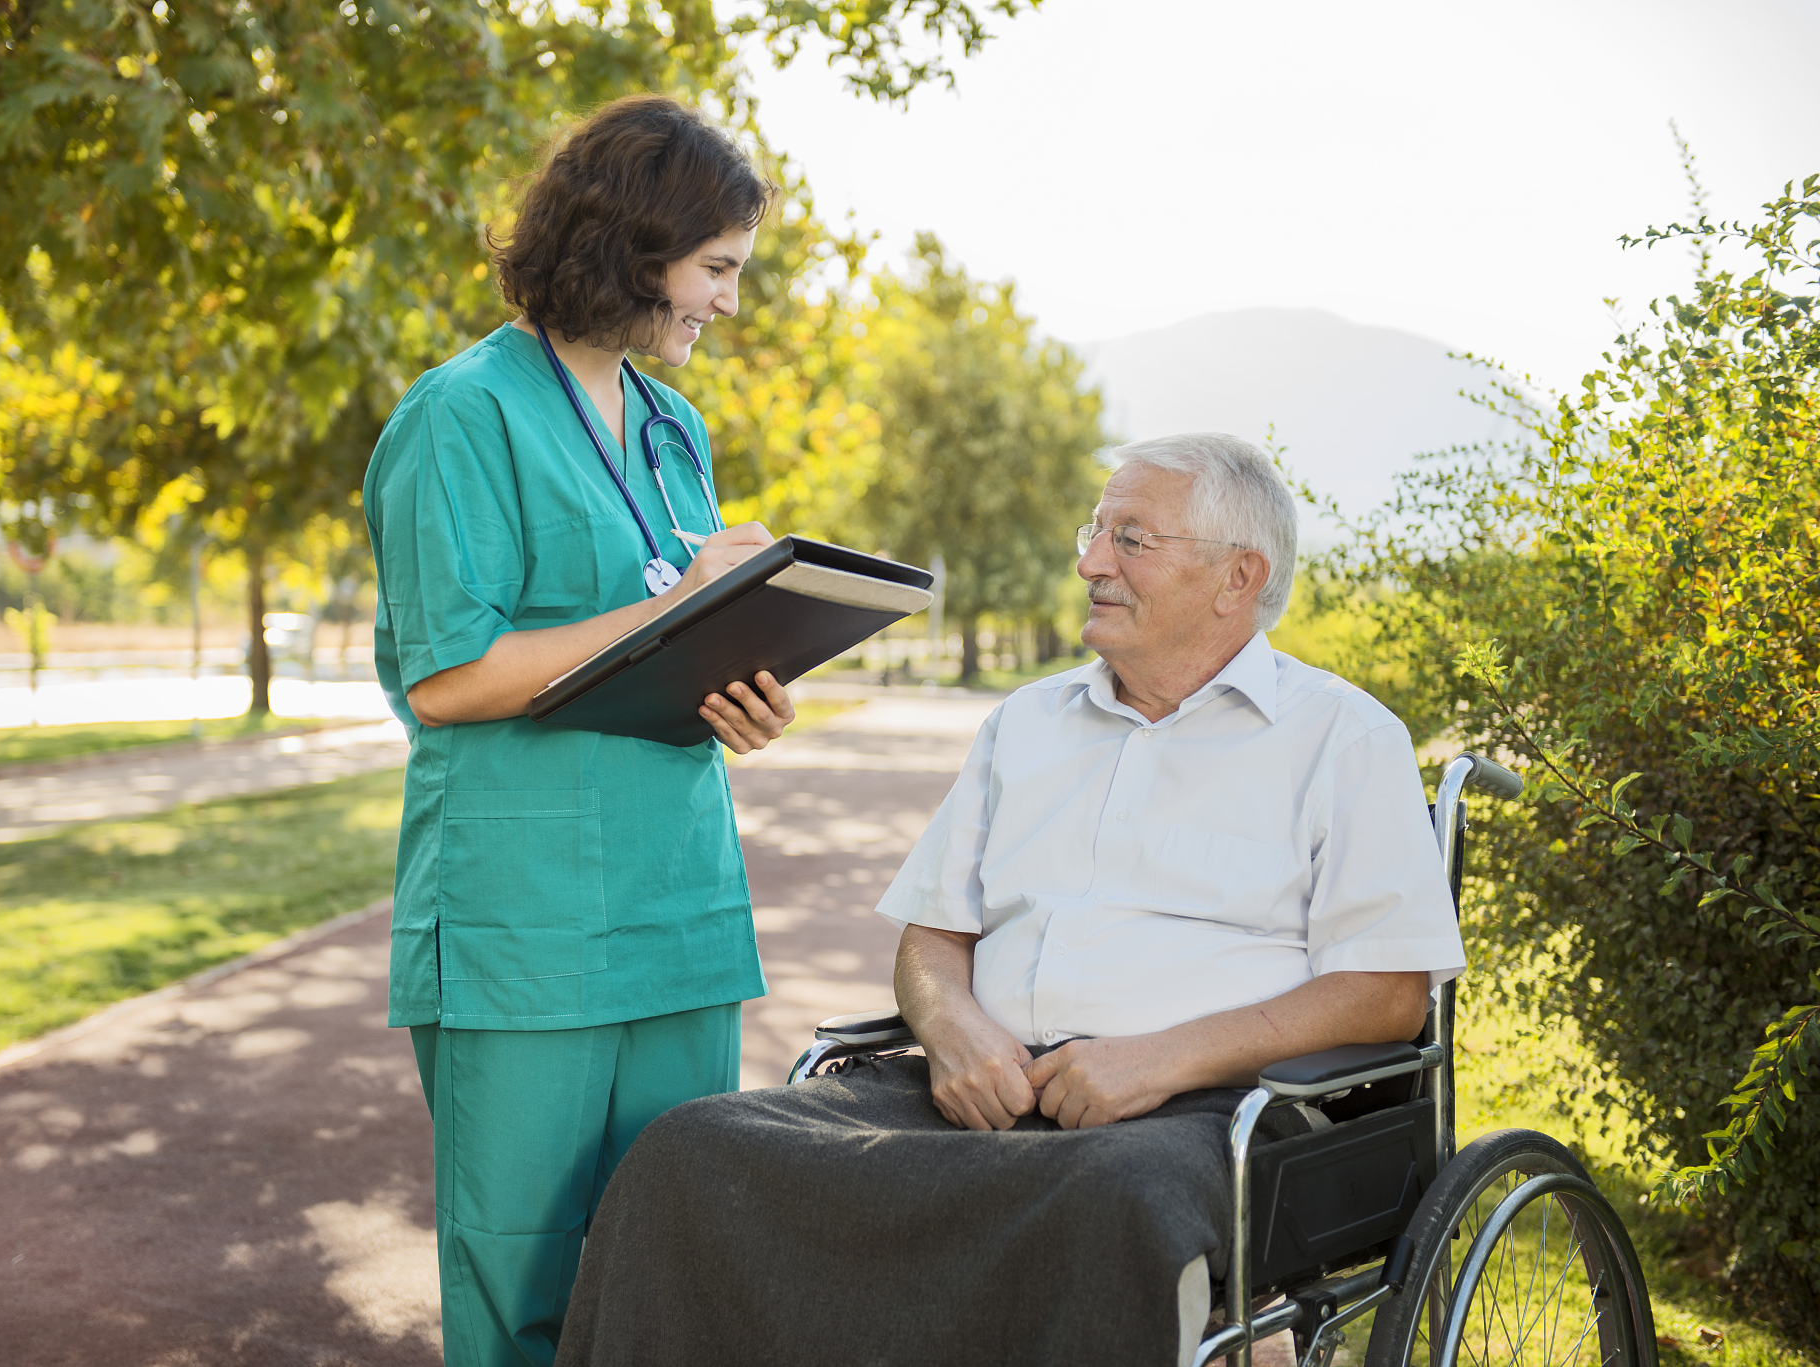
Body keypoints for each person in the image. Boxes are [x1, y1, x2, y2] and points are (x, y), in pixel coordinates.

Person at [555, 433, 1468, 1367]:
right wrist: (950, 1026)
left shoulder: (1344, 739)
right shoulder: (1028, 721)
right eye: (1094, 532)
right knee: (688, 1152)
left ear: (1239, 576)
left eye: (1130, 538)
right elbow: (933, 936)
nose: (1091, 562)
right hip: (985, 1087)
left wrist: (1158, 1058)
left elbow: (1387, 994)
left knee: (1115, 1204)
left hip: (1210, 1112)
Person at [361, 95, 795, 1367]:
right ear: (633, 244)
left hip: (677, 906)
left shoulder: (674, 428)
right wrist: (677, 606)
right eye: (715, 268)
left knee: (674, 1265)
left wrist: (738, 682)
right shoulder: (460, 414)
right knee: (523, 1283)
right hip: (527, 921)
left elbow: (660, 642)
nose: (727, 302)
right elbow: (450, 677)